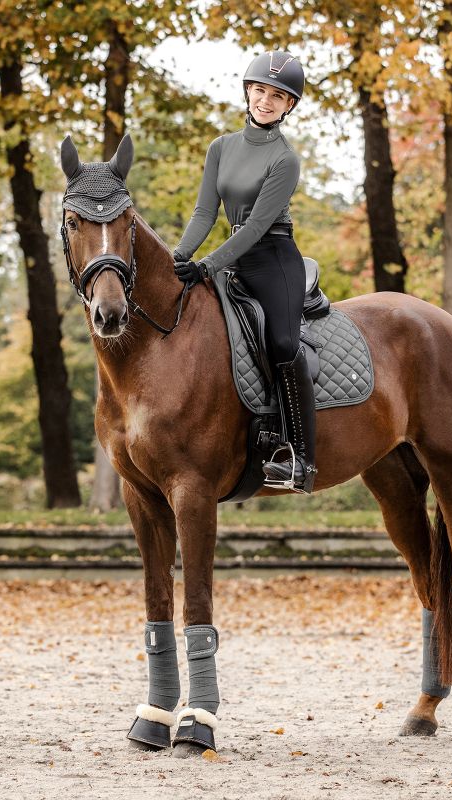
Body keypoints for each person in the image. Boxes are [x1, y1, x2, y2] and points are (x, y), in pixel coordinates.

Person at [173, 51, 317, 494]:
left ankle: (300, 457)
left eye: (278, 96)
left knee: (283, 341)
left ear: (289, 106)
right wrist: (179, 256)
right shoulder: (221, 147)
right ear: (247, 92)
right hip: (230, 257)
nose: (266, 101)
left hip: (273, 258)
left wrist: (206, 265)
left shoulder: (285, 160)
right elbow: (203, 212)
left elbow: (255, 227)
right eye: (260, 90)